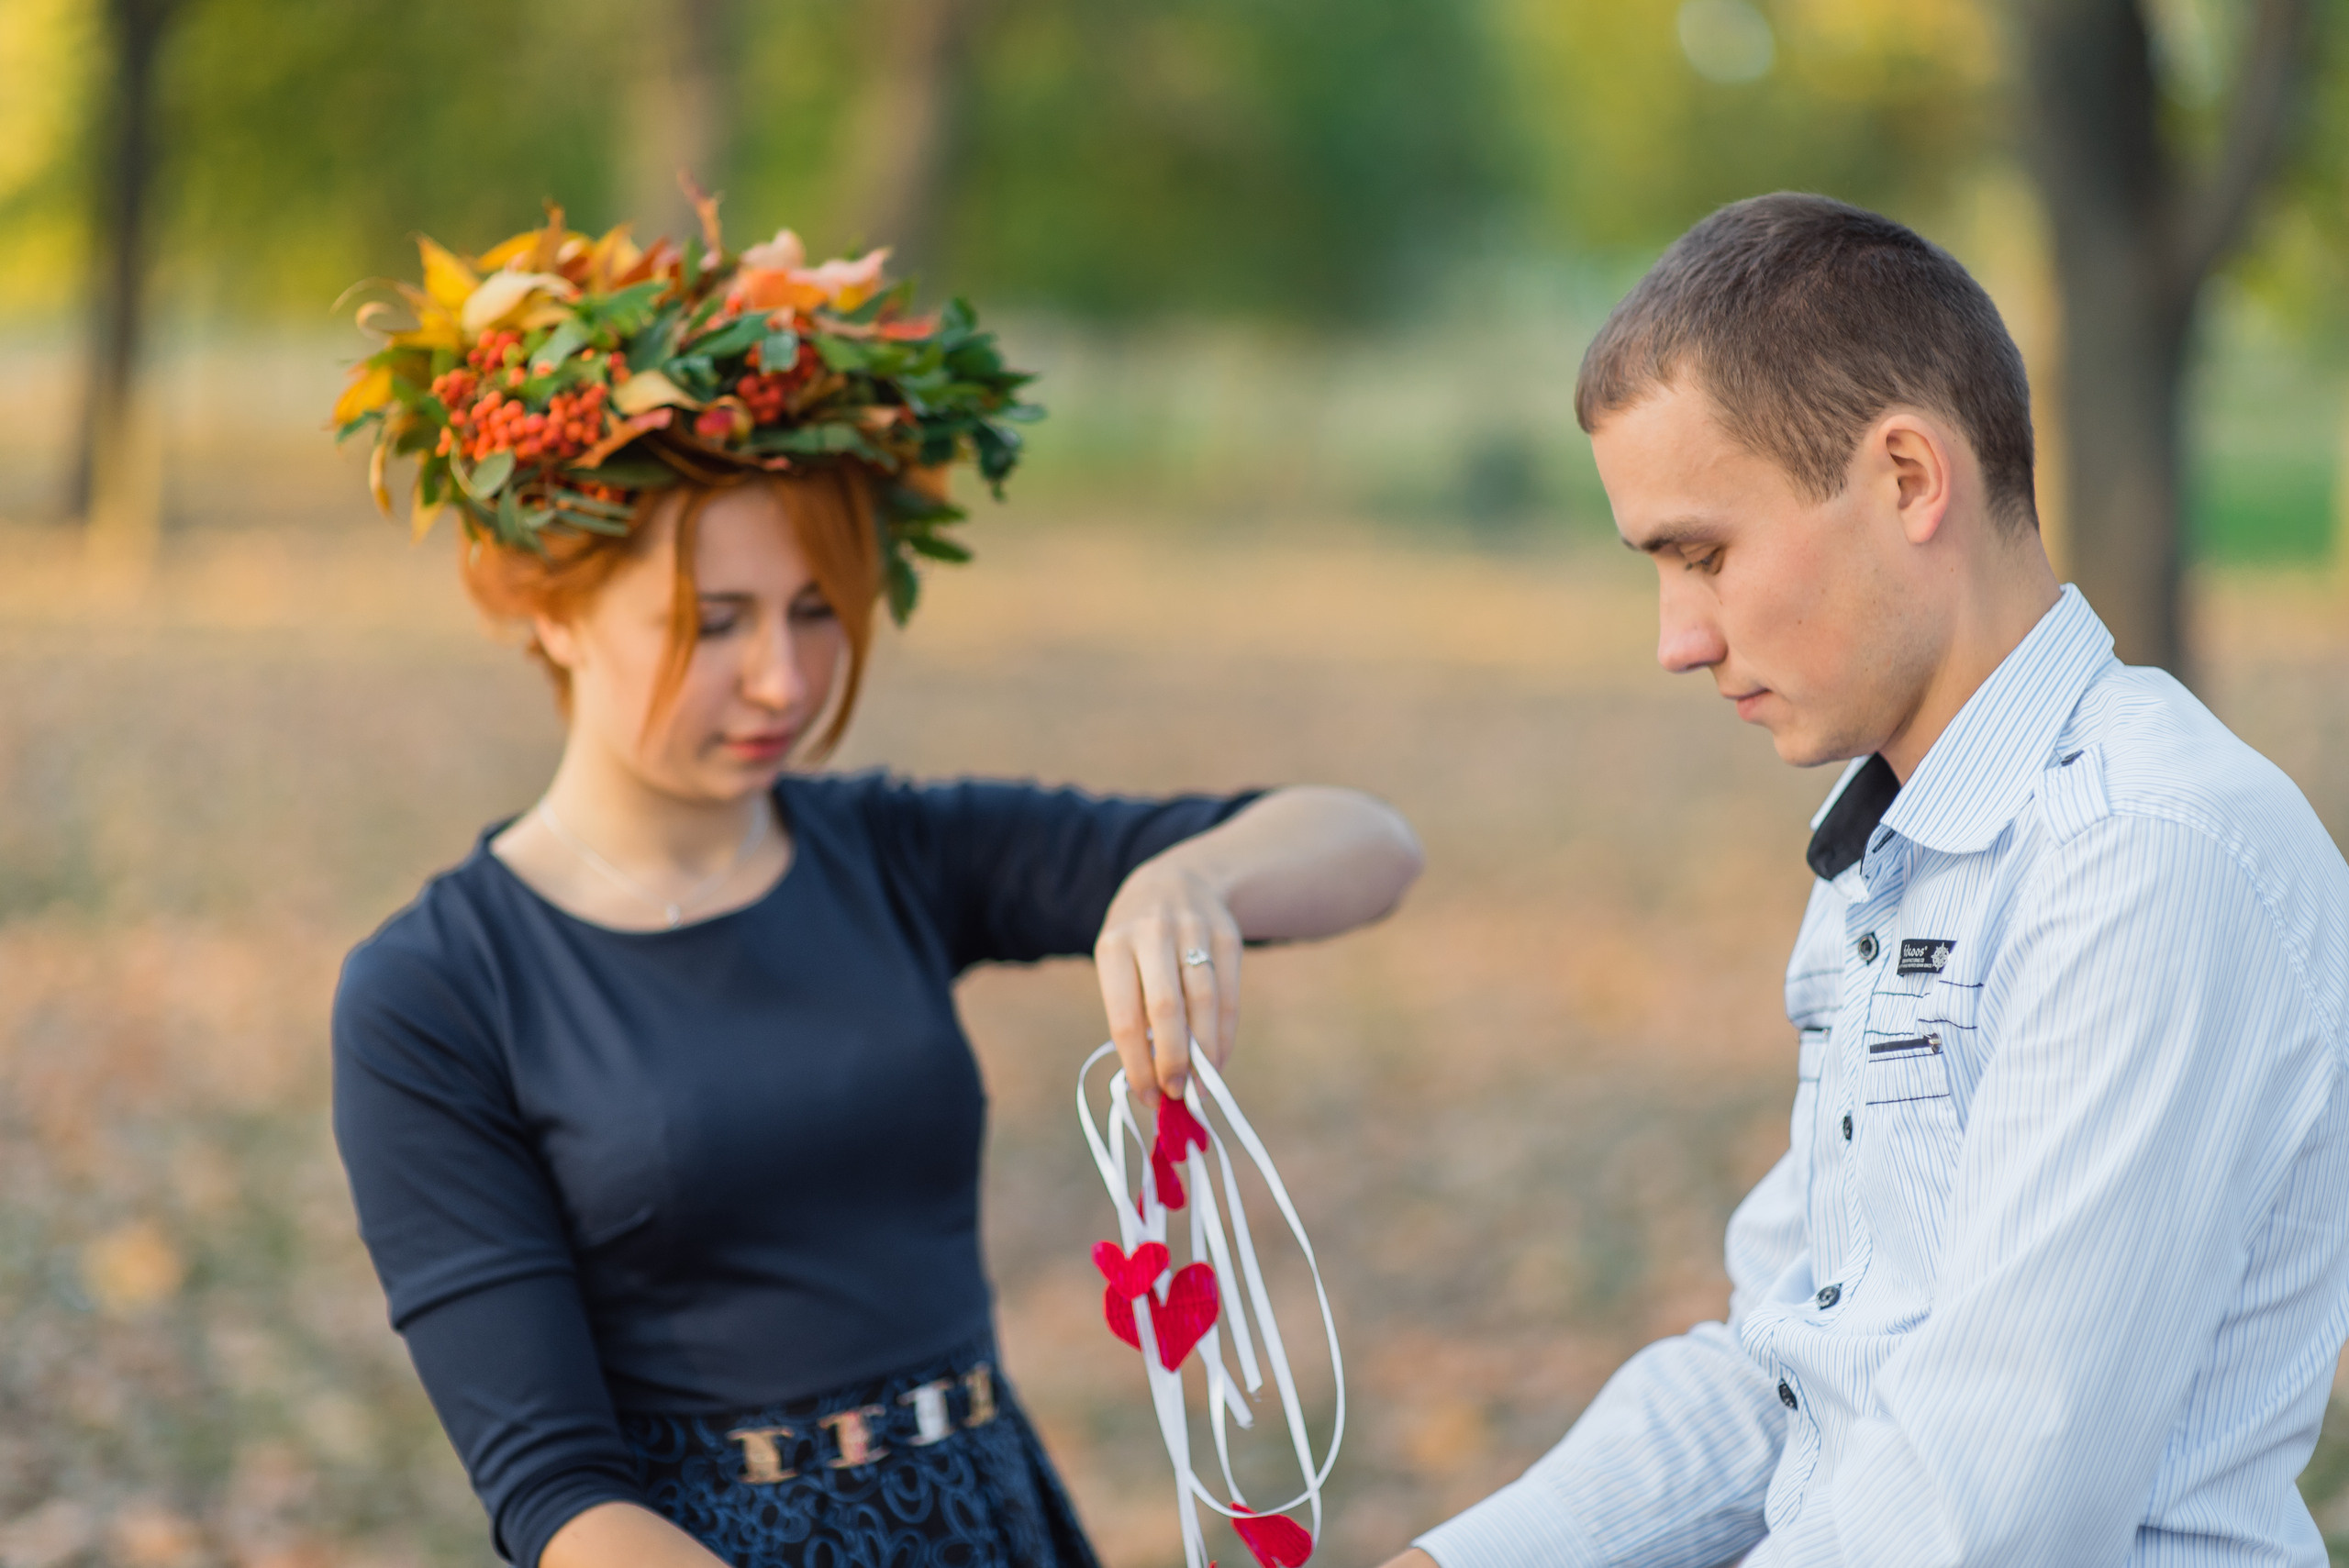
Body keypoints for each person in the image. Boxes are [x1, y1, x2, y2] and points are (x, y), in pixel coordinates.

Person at [328, 213, 1424, 1568]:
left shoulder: (890, 851)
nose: (786, 680)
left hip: (991, 1521)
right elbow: (560, 1497)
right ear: (548, 603)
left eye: (817, 608)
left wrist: (1184, 880)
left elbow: (1369, 840)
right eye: (712, 621)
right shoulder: (436, 990)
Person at [1383, 194, 2349, 1566]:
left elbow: (1991, 1504)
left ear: (1906, 476)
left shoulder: (2145, 855)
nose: (1675, 639)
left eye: (1703, 555)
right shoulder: (1894, 848)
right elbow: (1789, 1365)